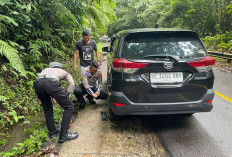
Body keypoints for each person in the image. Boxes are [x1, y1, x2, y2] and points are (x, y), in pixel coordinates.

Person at [33, 62, 78, 143]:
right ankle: (63, 135)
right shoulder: (64, 72)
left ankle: (52, 132)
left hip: (38, 84)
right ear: (59, 68)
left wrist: (56, 96)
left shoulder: (45, 70)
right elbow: (72, 84)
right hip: (51, 84)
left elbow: (45, 83)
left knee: (47, 108)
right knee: (69, 106)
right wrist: (66, 98)